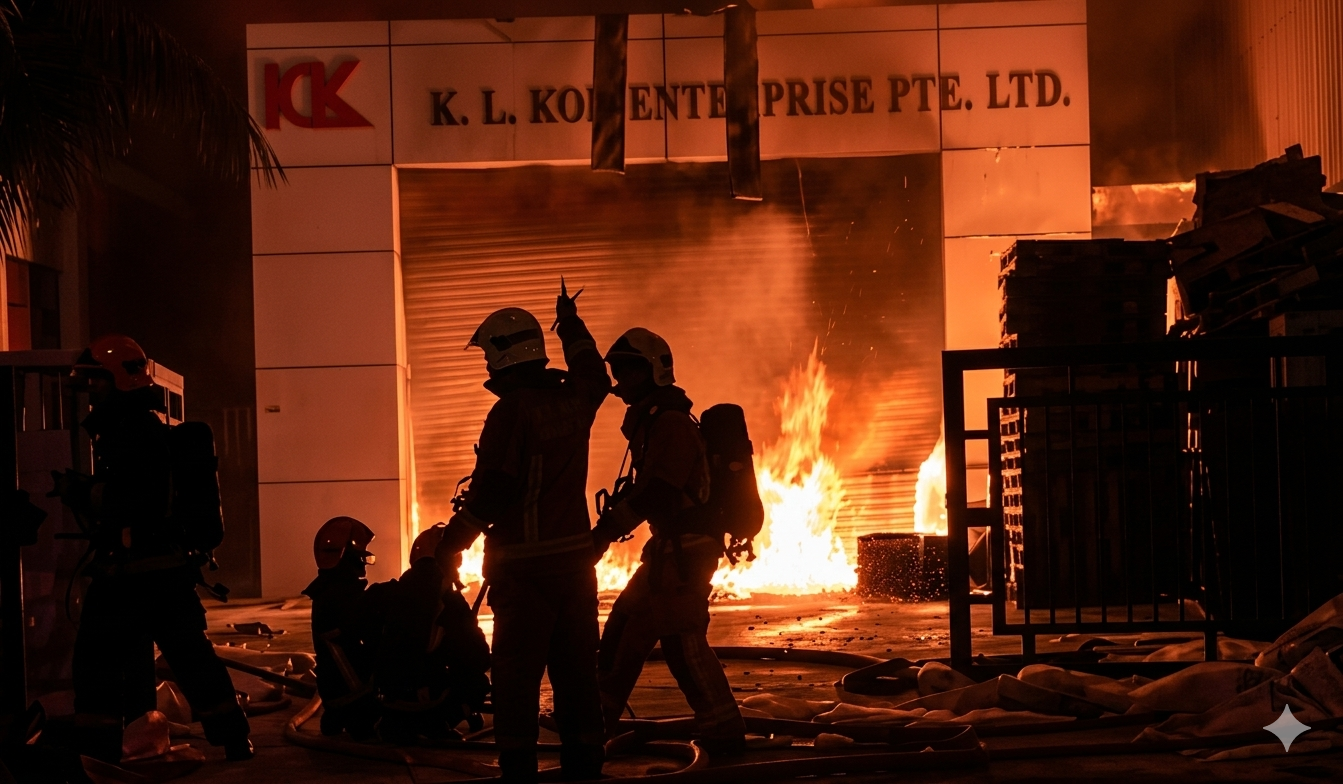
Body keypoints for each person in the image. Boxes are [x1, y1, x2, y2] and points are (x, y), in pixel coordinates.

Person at [438, 286, 610, 782]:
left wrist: (451, 545)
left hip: (525, 572)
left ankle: (518, 770)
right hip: (576, 570)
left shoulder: (510, 412)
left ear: (503, 353)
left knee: (516, 680)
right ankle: (586, 767)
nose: (487, 367)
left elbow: (491, 491)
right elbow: (594, 373)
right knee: (578, 676)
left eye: (490, 355)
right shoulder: (576, 399)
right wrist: (571, 326)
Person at [56, 335, 252, 763]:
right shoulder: (127, 430)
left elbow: (139, 501)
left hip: (142, 572)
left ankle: (96, 750)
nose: (92, 394)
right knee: (188, 658)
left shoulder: (134, 433)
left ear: (122, 381)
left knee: (100, 664)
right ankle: (233, 737)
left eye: (98, 384)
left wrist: (82, 492)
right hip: (153, 573)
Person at [591, 328, 746, 752]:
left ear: (654, 371)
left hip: (688, 548)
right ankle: (595, 720)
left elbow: (659, 490)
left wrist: (605, 533)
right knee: (624, 624)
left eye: (629, 369)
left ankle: (724, 731)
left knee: (681, 640)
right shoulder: (652, 420)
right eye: (617, 369)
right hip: (668, 548)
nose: (620, 378)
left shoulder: (671, 423)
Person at [375, 523, 490, 743]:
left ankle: (394, 723)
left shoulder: (389, 591)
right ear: (450, 560)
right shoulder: (450, 602)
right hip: (428, 702)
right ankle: (439, 722)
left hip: (388, 700)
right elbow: (479, 658)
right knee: (479, 684)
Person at [302, 516, 382, 740]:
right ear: (348, 557)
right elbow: (371, 635)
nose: (364, 563)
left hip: (335, 694)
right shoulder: (343, 596)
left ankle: (337, 717)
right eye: (361, 557)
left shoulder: (328, 590)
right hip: (356, 694)